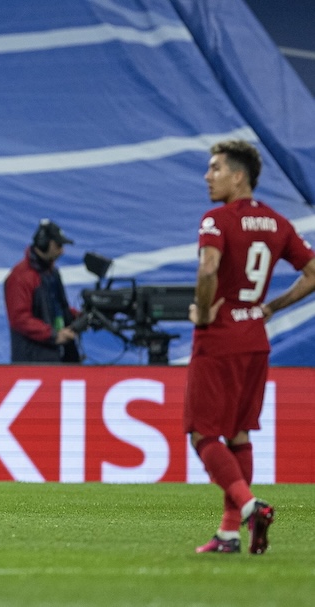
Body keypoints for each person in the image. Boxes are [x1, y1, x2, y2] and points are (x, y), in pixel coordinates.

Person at [187, 139, 315, 556]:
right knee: (238, 433)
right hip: (254, 340)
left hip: (218, 337)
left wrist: (203, 314)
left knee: (203, 432)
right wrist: (272, 307)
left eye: (215, 169)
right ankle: (228, 534)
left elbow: (208, 268)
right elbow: (312, 272)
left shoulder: (216, 219)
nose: (208, 177)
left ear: (238, 176)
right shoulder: (278, 224)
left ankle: (248, 506)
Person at [3, 219, 81, 363]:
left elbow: (58, 309)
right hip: (34, 361)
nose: (62, 251)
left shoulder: (52, 273)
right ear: (44, 243)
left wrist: (79, 317)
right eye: (58, 245)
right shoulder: (20, 277)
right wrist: (54, 335)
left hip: (58, 357)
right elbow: (20, 319)